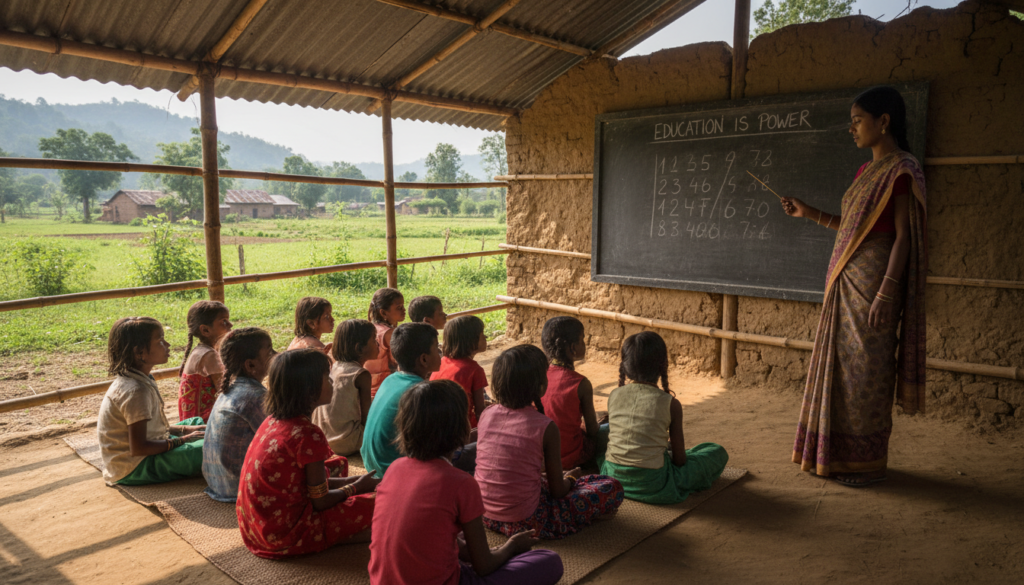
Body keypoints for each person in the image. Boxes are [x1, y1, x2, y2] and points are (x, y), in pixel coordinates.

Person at [781, 86, 927, 487]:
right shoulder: (865, 173)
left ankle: (866, 463)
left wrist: (885, 290)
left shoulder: (902, 169)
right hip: (846, 285)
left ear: (883, 122)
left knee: (867, 372)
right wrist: (808, 213)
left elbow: (903, 238)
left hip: (875, 286)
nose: (852, 129)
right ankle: (836, 458)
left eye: (858, 120)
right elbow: (851, 231)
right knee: (842, 371)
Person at [369, 379, 564, 585]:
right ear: (461, 429)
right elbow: (485, 565)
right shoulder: (461, 483)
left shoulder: (395, 468)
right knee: (549, 561)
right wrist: (511, 546)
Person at [236, 349, 379, 559]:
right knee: (382, 504)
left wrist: (359, 481)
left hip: (257, 529)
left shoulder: (273, 421)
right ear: (308, 389)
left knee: (337, 465)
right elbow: (320, 501)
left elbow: (305, 485)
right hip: (287, 535)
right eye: (326, 377)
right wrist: (356, 487)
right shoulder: (307, 433)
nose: (331, 382)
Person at [476, 345, 623, 540]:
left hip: (483, 515)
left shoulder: (487, 414)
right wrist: (570, 479)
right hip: (526, 522)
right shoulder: (545, 426)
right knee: (610, 485)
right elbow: (558, 491)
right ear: (540, 387)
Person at [599, 332, 728, 504]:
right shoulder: (671, 403)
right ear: (663, 365)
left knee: (603, 449)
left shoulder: (614, 395)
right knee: (715, 451)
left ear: (625, 366)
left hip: (613, 478)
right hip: (655, 483)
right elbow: (680, 460)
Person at [98, 317, 205, 486]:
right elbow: (139, 448)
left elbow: (149, 429)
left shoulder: (140, 378)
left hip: (146, 449)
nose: (168, 345)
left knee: (199, 423)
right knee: (209, 449)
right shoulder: (136, 391)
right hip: (135, 466)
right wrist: (183, 439)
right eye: (160, 341)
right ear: (139, 352)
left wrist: (186, 429)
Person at [362, 323, 473, 477]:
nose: (440, 353)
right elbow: (442, 446)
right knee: (479, 451)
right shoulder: (421, 393)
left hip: (374, 465)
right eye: (436, 348)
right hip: (393, 472)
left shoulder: (391, 379)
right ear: (424, 359)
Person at [202, 327, 274, 502]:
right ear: (250, 365)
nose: (276, 355)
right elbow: (277, 441)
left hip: (217, 483)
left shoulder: (231, 389)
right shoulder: (255, 396)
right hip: (238, 487)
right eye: (270, 351)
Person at [539, 316, 605, 469]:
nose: (584, 344)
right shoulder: (581, 383)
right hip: (570, 457)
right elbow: (592, 430)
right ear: (573, 348)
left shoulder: (539, 376)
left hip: (541, 457)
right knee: (607, 430)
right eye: (582, 340)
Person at [312, 319, 378, 456]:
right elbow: (367, 418)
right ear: (359, 348)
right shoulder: (360, 374)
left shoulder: (334, 366)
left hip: (324, 439)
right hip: (347, 441)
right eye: (373, 340)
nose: (377, 344)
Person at [431, 315, 489, 429]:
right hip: (462, 430)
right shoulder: (475, 370)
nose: (485, 337)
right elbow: (480, 411)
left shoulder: (442, 362)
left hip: (438, 426)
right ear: (471, 340)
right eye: (482, 334)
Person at [178, 300, 232, 422]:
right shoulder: (208, 355)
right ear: (205, 330)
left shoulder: (201, 351)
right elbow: (226, 390)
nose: (230, 325)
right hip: (203, 424)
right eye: (224, 321)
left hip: (192, 421)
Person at [365, 288, 405, 398]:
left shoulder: (370, 328)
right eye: (399, 307)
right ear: (383, 312)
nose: (404, 310)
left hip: (367, 388)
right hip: (383, 389)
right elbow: (400, 363)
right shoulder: (389, 333)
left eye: (403, 306)